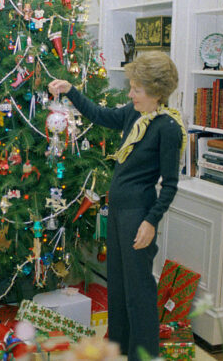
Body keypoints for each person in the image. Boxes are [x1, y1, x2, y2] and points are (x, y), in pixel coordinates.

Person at [48, 51, 186, 360]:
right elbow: (99, 114)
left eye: (136, 89)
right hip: (119, 212)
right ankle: (122, 347)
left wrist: (151, 222)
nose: (130, 93)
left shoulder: (168, 128)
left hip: (139, 215)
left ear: (155, 91)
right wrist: (71, 90)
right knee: (121, 286)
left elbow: (171, 184)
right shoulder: (134, 114)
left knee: (139, 291)